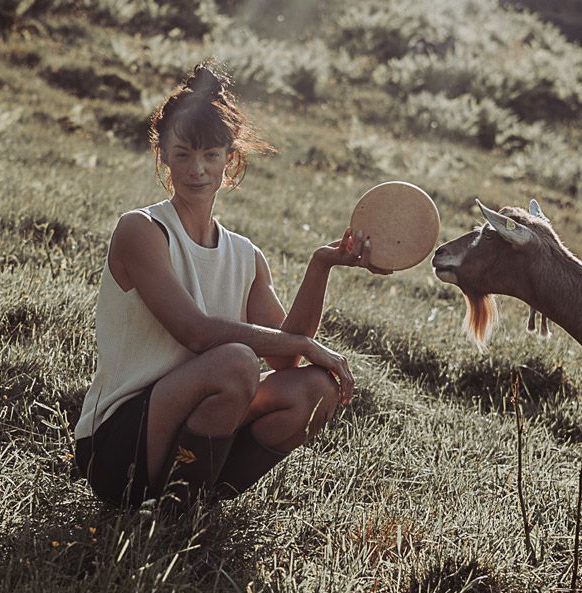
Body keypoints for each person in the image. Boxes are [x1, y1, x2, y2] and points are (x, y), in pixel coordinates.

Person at [73, 61, 390, 512]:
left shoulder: (245, 256)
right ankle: (177, 510)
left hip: (192, 421)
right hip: (119, 447)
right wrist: (300, 341)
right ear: (163, 156)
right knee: (236, 362)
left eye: (210, 155)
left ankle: (192, 505)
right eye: (182, 154)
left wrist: (321, 265)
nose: (197, 169)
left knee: (314, 389)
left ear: (230, 159)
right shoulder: (141, 230)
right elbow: (197, 333)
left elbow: (285, 357)